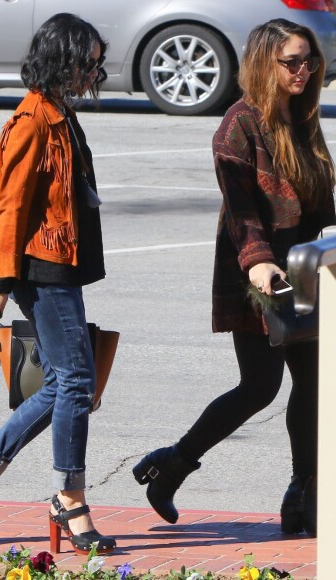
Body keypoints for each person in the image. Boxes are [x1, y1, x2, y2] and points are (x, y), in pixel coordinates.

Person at [132, 18, 335, 538]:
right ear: (265, 62)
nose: (303, 70)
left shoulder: (303, 116)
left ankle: (303, 493)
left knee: (314, 385)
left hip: (307, 267)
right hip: (258, 272)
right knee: (260, 387)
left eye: (309, 60)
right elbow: (241, 208)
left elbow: (321, 203)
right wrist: (260, 263)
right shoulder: (238, 125)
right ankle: (172, 466)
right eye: (292, 61)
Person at [0, 13, 116, 555]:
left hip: (60, 264)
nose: (93, 75)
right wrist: (0, 280)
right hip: (39, 267)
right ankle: (70, 499)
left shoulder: (60, 113)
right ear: (65, 59)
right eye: (89, 64)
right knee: (77, 383)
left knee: (64, 384)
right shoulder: (31, 120)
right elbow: (10, 205)